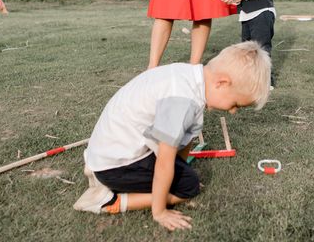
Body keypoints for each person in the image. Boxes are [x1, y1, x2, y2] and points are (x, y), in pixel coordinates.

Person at [73, 41, 271, 231]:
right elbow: (165, 162)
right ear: (222, 83)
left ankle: (106, 174)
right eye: (235, 104)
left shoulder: (188, 77)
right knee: (188, 186)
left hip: (109, 151)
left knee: (180, 175)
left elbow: (185, 139)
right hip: (115, 165)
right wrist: (160, 211)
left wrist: (179, 169)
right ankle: (111, 201)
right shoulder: (182, 102)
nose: (233, 111)